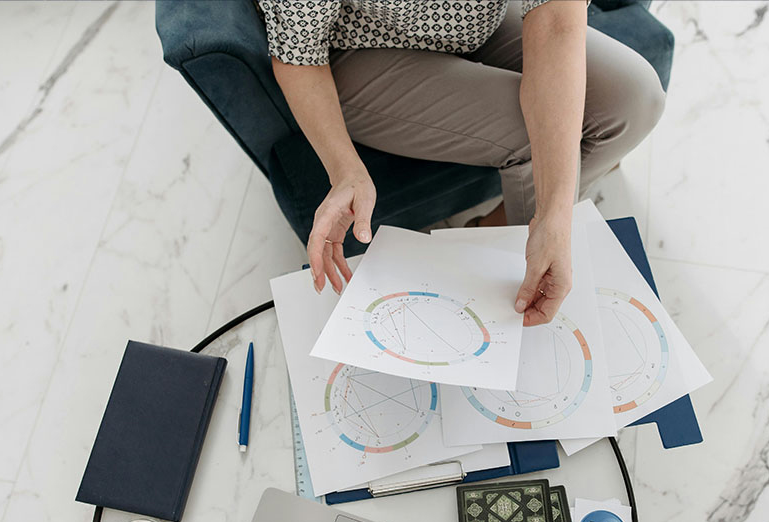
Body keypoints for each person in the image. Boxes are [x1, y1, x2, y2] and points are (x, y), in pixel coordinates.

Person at [259, 0, 665, 326]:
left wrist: (555, 216)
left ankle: (494, 232)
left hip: (475, 19)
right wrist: (345, 169)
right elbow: (300, 55)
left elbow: (558, 18)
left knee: (635, 98)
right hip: (359, 50)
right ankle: (505, 312)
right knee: (533, 136)